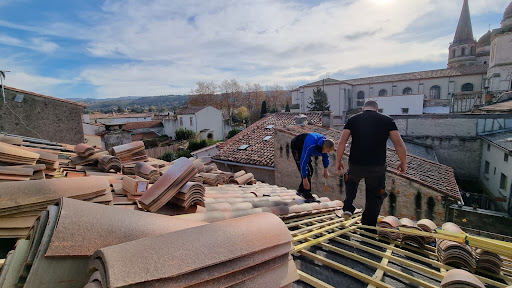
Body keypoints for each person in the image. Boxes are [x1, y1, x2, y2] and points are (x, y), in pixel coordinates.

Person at [335, 100, 407, 228]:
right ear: (377, 109)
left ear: (363, 108)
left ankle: (348, 206)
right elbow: (398, 143)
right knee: (375, 195)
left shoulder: (353, 119)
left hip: (356, 164)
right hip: (376, 167)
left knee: (351, 181)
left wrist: (338, 161)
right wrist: (403, 163)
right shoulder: (387, 120)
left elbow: (342, 142)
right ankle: (368, 225)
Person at [291, 132, 335, 202]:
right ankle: (307, 195)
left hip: (306, 145)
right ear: (324, 147)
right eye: (327, 151)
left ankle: (301, 190)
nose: (327, 152)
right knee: (308, 171)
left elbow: (325, 158)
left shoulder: (325, 145)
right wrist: (304, 179)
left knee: (310, 170)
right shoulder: (310, 146)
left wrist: (325, 170)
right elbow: (303, 162)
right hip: (297, 146)